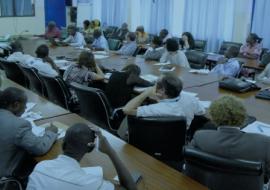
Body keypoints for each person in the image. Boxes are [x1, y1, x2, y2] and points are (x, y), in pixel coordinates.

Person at [26, 123, 137, 190]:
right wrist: (110, 152)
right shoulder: (90, 184)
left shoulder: (41, 166)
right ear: (90, 148)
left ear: (63, 142)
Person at [190, 95, 270, 180]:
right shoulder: (264, 143)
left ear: (213, 117)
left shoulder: (200, 137)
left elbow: (190, 163)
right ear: (243, 117)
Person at [118, 75, 205, 139]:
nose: (153, 87)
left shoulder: (155, 109)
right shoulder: (191, 99)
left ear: (162, 91)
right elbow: (201, 112)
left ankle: (121, 138)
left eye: (155, 85)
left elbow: (126, 110)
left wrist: (145, 93)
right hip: (178, 140)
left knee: (128, 117)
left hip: (153, 139)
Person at [0, 87, 58, 178]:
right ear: (16, 105)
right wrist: (50, 132)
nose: (26, 107)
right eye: (25, 104)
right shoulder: (19, 125)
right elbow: (40, 148)